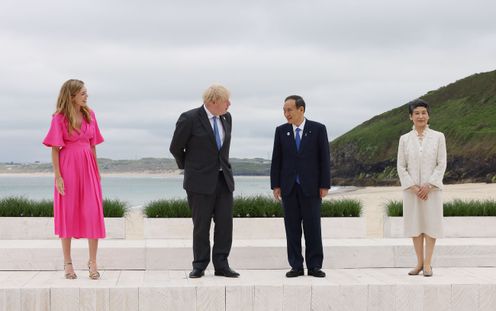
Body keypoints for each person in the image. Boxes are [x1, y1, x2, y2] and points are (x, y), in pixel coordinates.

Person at [169, 84, 239, 278]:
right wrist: (190, 167)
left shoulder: (227, 118)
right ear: (213, 101)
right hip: (199, 182)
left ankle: (222, 265)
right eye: (226, 101)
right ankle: (199, 265)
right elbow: (176, 148)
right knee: (201, 225)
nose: (229, 104)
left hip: (223, 179)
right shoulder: (189, 118)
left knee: (225, 225)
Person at [43, 79, 105, 280]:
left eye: (86, 93)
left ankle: (93, 262)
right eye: (83, 93)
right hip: (68, 165)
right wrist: (58, 176)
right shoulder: (59, 118)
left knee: (93, 212)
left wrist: (96, 170)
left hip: (88, 166)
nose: (87, 96)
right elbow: (55, 149)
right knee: (67, 213)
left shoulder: (90, 115)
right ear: (72, 96)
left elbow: (93, 145)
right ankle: (68, 263)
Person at [270, 95, 330, 278]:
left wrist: (324, 184)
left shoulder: (318, 129)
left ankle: (314, 266)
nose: (286, 114)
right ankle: (296, 266)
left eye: (289, 110)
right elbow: (277, 160)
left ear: (301, 110)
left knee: (313, 227)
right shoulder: (281, 131)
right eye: (284, 110)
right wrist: (276, 185)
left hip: (311, 187)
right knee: (292, 228)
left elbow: (324, 159)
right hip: (288, 187)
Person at [397, 98, 447, 277]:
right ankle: (418, 263)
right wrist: (413, 187)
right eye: (416, 113)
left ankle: (428, 264)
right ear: (410, 117)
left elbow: (441, 164)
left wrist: (429, 185)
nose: (420, 116)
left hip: (431, 191)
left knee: (431, 224)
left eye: (423, 113)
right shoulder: (404, 139)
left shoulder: (438, 136)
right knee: (415, 226)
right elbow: (401, 166)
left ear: (428, 115)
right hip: (412, 192)